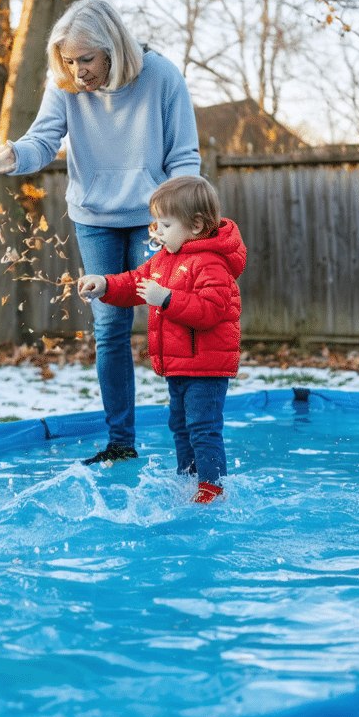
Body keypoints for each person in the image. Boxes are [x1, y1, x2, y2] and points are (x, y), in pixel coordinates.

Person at [0, 0, 201, 466]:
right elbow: (43, 139)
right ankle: (121, 442)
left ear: (113, 49)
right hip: (95, 220)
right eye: (68, 61)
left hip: (153, 222)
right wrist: (14, 155)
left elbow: (184, 157)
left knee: (169, 320)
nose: (78, 71)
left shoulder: (161, 77)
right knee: (110, 327)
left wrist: (177, 222)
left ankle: (188, 433)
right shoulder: (65, 85)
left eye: (86, 59)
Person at [77, 175, 245, 503]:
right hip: (179, 366)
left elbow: (210, 310)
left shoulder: (212, 264)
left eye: (165, 225)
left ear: (196, 225)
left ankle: (213, 486)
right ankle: (189, 479)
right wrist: (107, 285)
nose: (156, 231)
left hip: (207, 368)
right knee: (181, 426)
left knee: (203, 426)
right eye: (155, 223)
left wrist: (167, 299)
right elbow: (135, 281)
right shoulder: (166, 259)